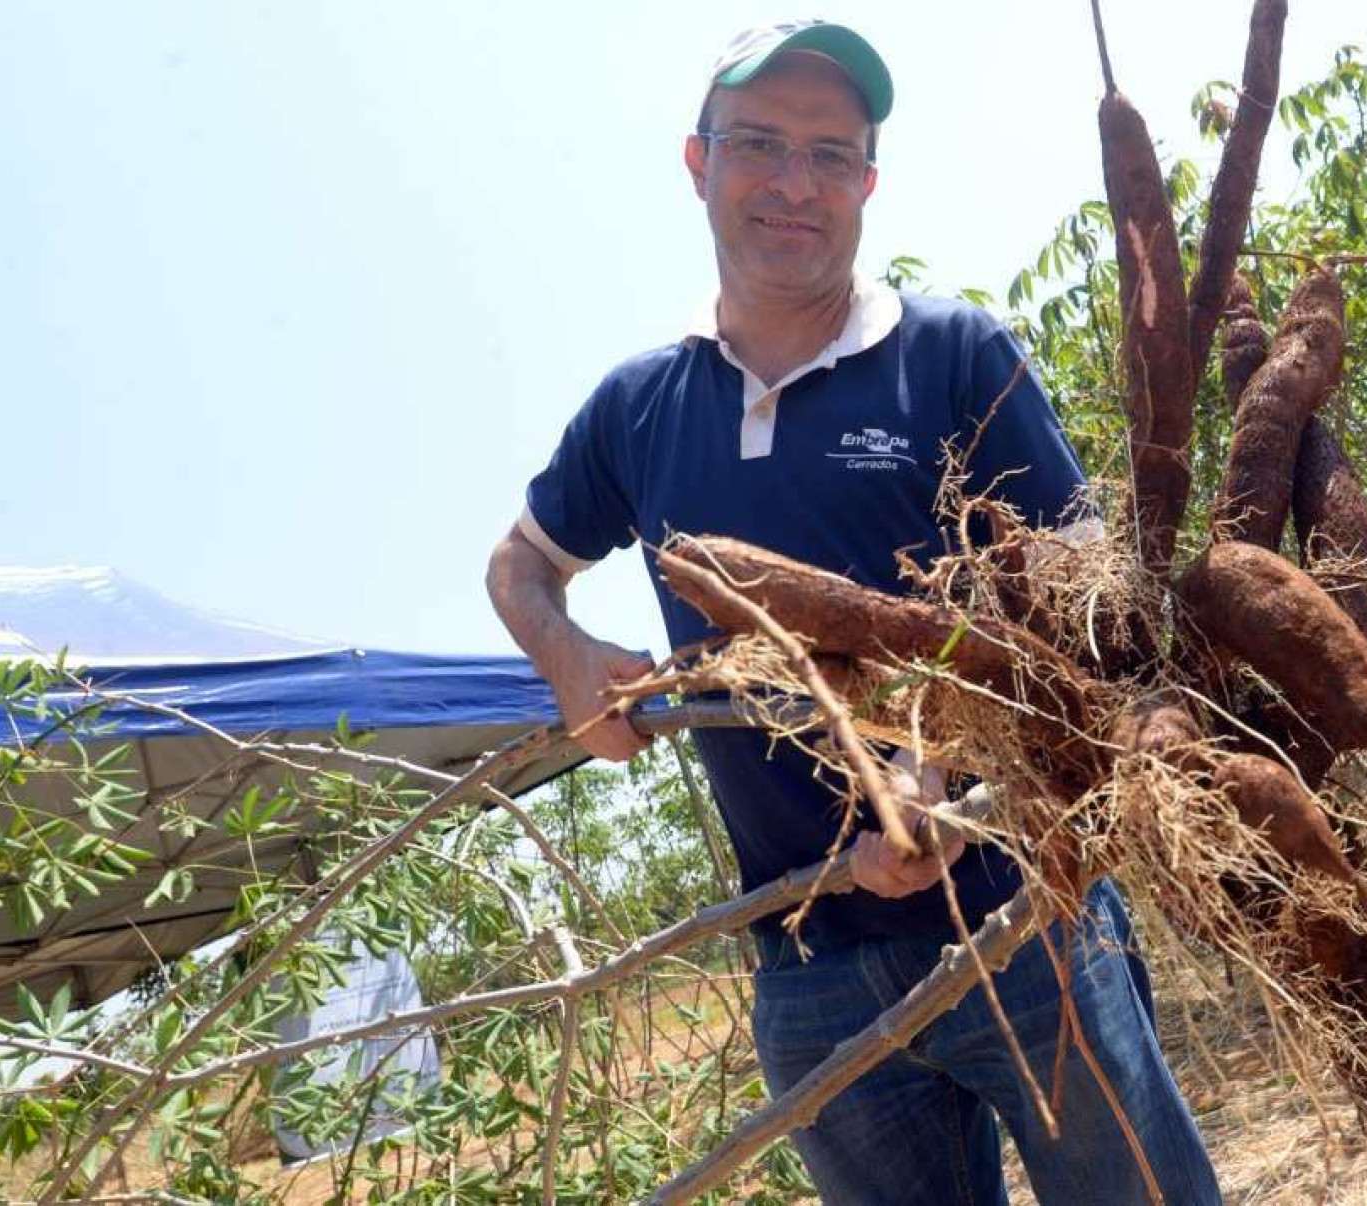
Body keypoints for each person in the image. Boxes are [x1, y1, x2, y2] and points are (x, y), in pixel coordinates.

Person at [485, 21, 1220, 1205]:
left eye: (832, 156)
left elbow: (1087, 600)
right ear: (698, 163)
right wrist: (571, 661)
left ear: (868, 184)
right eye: (761, 146)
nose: (795, 184)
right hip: (808, 968)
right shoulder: (638, 408)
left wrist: (945, 769)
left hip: (1026, 919)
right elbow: (518, 567)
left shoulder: (953, 355)